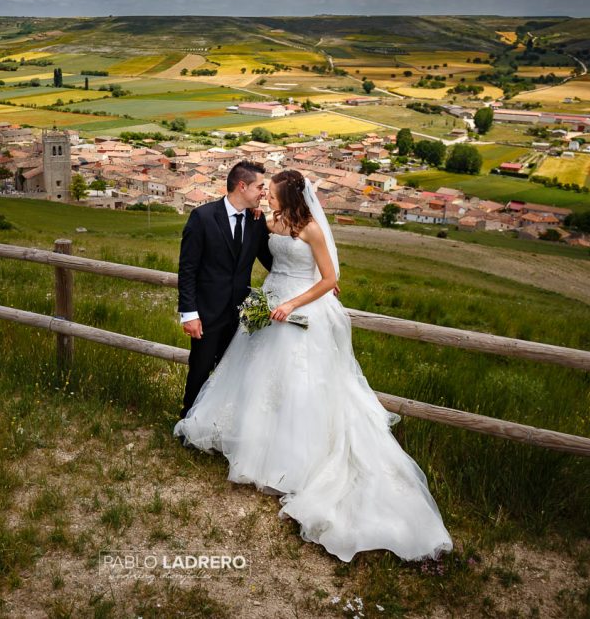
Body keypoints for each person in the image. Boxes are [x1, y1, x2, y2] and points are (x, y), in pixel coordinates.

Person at [174, 169, 453, 563]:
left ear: (287, 195)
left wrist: (310, 290)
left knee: (298, 383)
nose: (264, 196)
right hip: (270, 305)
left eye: (269, 192)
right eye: (261, 190)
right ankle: (228, 437)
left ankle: (292, 459)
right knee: (255, 379)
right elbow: (269, 255)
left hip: (296, 309)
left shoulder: (311, 229)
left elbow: (326, 276)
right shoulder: (267, 221)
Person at [177, 161, 273, 420]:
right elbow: (187, 269)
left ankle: (220, 424)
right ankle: (188, 423)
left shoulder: (256, 219)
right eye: (260, 187)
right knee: (200, 370)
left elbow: (271, 260)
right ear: (242, 186)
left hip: (241, 315)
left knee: (234, 373)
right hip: (207, 314)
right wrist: (189, 314)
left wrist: (312, 278)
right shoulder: (203, 217)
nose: (263, 193)